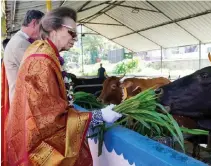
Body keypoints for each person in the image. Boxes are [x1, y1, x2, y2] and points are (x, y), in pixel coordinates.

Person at [3, 7, 122, 166]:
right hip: (37, 149)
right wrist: (97, 116)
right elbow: (49, 120)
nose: (75, 38)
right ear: (53, 30)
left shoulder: (41, 50)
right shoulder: (42, 61)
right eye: (72, 32)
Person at [3, 10, 44, 104]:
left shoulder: (19, 40)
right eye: (42, 27)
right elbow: (39, 71)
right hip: (23, 101)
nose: (43, 31)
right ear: (34, 23)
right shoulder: (20, 43)